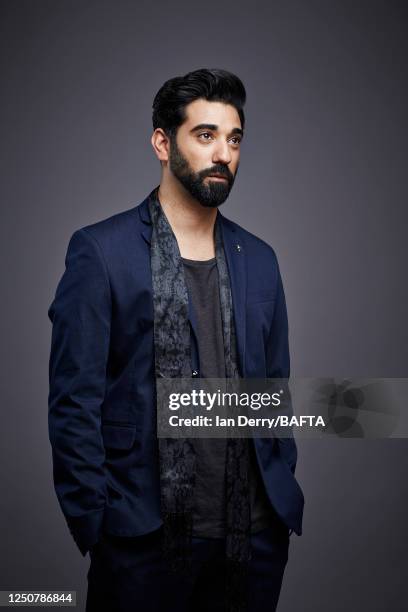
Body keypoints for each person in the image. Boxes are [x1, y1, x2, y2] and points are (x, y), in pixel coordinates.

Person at [48, 68, 304, 612]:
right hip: (141, 541)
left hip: (252, 537)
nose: (224, 154)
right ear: (163, 143)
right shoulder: (101, 252)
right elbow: (74, 401)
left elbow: (274, 391)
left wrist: (279, 483)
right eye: (205, 135)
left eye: (234, 139)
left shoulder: (260, 258)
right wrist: (97, 524)